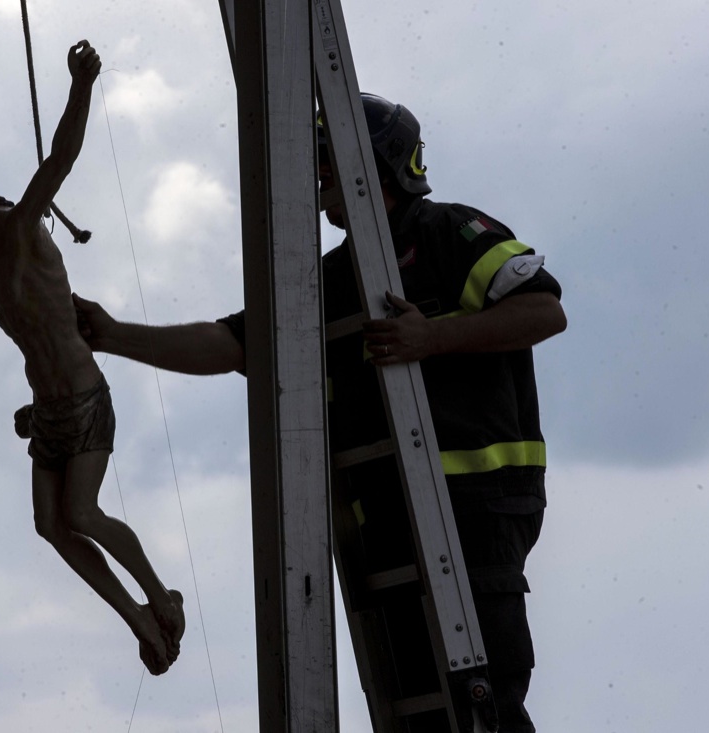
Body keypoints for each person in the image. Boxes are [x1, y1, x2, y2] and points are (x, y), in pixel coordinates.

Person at [73, 93, 565, 728]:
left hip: (478, 507)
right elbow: (235, 345)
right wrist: (112, 335)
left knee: (482, 702)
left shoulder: (449, 232)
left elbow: (542, 311)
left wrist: (430, 337)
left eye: (325, 161)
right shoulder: (329, 276)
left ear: (375, 163)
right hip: (386, 517)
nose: (316, 177)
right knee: (424, 711)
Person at [0, 40, 183, 676]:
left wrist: (81, 85)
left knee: (81, 513)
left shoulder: (16, 231)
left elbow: (60, 160)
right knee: (50, 525)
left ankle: (161, 597)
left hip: (83, 396)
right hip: (46, 407)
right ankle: (137, 620)